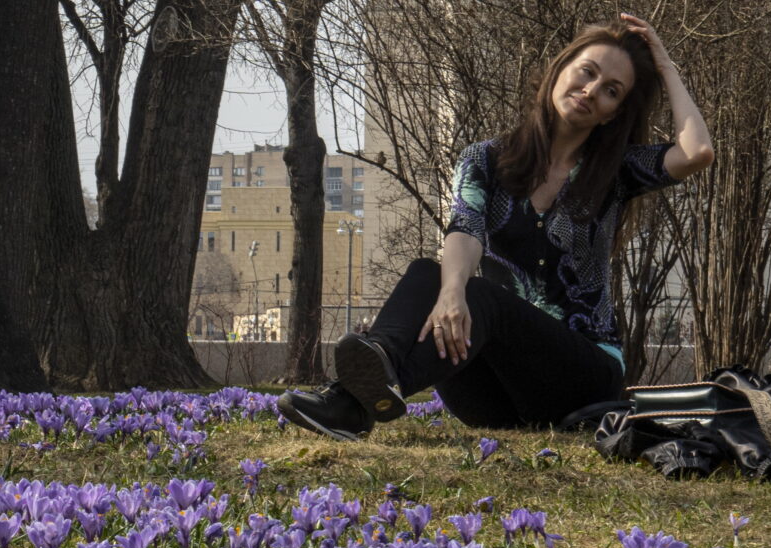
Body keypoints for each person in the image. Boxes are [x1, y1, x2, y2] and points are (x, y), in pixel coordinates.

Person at [279, 13, 713, 441]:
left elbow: (697, 151)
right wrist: (450, 293)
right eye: (587, 72)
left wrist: (665, 66)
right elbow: (464, 230)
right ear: (559, 69)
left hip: (582, 382)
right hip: (493, 395)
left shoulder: (616, 171)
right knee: (431, 275)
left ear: (613, 114)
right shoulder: (486, 160)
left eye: (611, 91)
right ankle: (372, 378)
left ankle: (347, 404)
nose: (591, 91)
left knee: (481, 295)